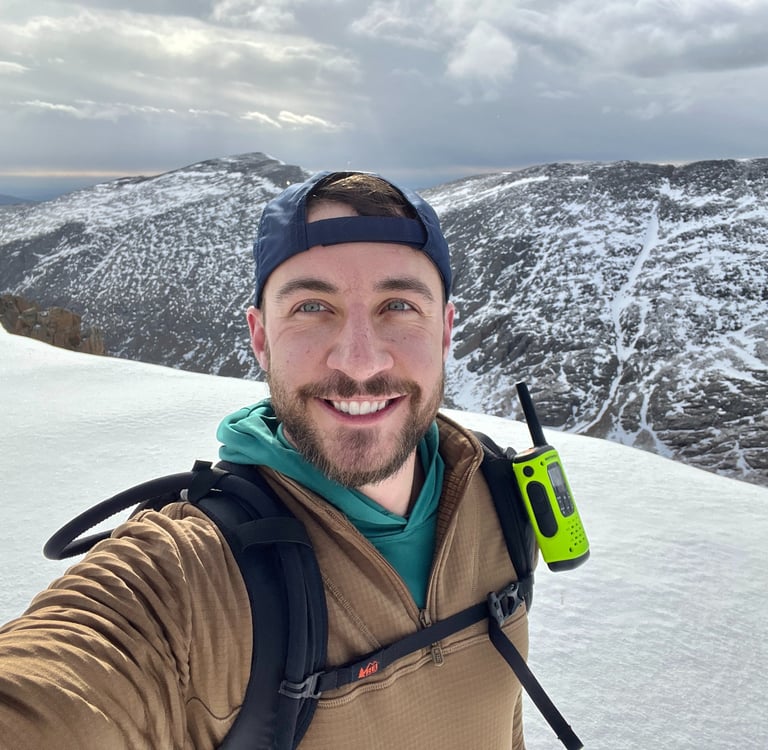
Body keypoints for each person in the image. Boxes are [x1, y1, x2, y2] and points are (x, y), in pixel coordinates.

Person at [0, 171, 532, 749]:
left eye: (399, 305)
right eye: (312, 307)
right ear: (260, 338)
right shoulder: (191, 574)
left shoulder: (496, 495)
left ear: (446, 330)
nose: (359, 362)